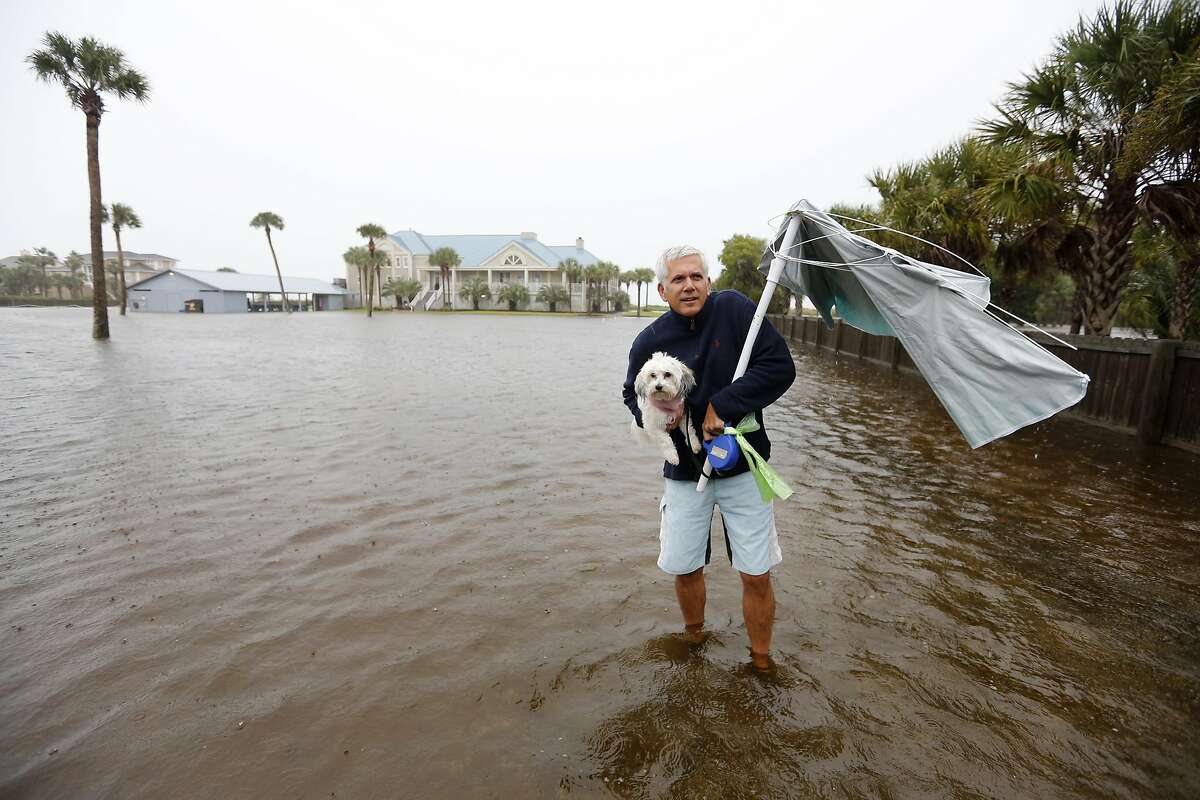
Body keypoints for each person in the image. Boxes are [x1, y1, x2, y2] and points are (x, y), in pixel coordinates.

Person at [622, 245, 795, 670]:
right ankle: (694, 642)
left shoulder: (736, 312)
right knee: (684, 566)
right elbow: (631, 392)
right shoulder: (650, 340)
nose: (689, 285)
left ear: (709, 282)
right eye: (678, 279)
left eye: (696, 276)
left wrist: (723, 404)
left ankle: (761, 661)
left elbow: (779, 367)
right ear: (662, 290)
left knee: (756, 572)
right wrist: (658, 415)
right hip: (684, 473)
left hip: (741, 466)